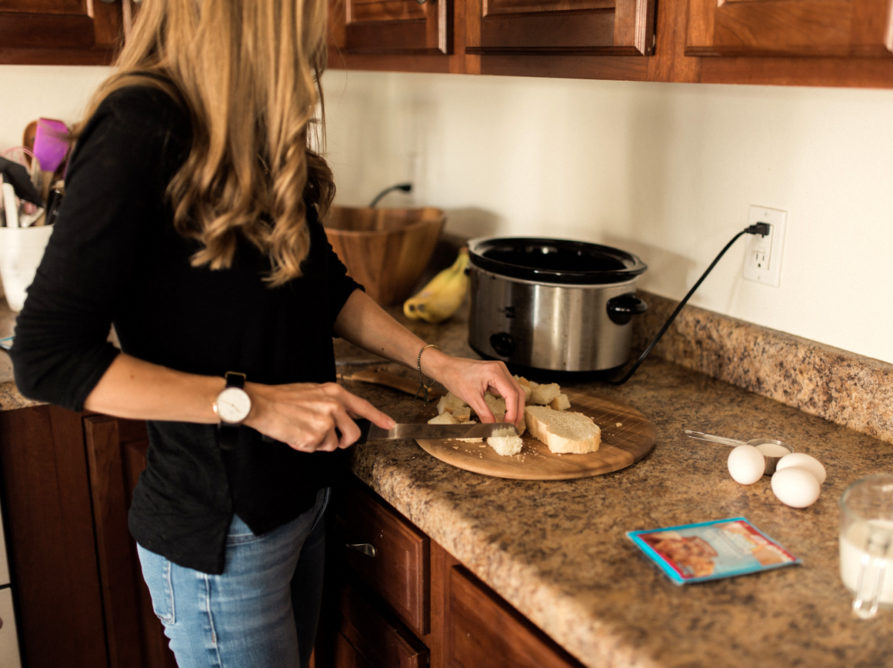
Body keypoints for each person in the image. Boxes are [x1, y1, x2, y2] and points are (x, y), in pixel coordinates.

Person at [9, 1, 525, 666]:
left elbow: (324, 286)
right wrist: (257, 403)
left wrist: (439, 363)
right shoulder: (139, 124)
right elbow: (46, 358)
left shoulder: (250, 124)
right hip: (223, 531)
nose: (316, 30)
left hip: (301, 500)